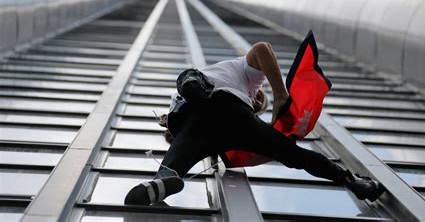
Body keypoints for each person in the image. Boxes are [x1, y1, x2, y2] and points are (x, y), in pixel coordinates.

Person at [124, 42, 384, 205]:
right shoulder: (245, 75)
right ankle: (165, 181)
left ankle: (352, 180)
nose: (259, 100)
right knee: (189, 81)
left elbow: (266, 146)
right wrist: (280, 94)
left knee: (293, 154)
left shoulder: (247, 104)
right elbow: (262, 48)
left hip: (214, 123)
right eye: (260, 99)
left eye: (261, 105)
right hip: (208, 108)